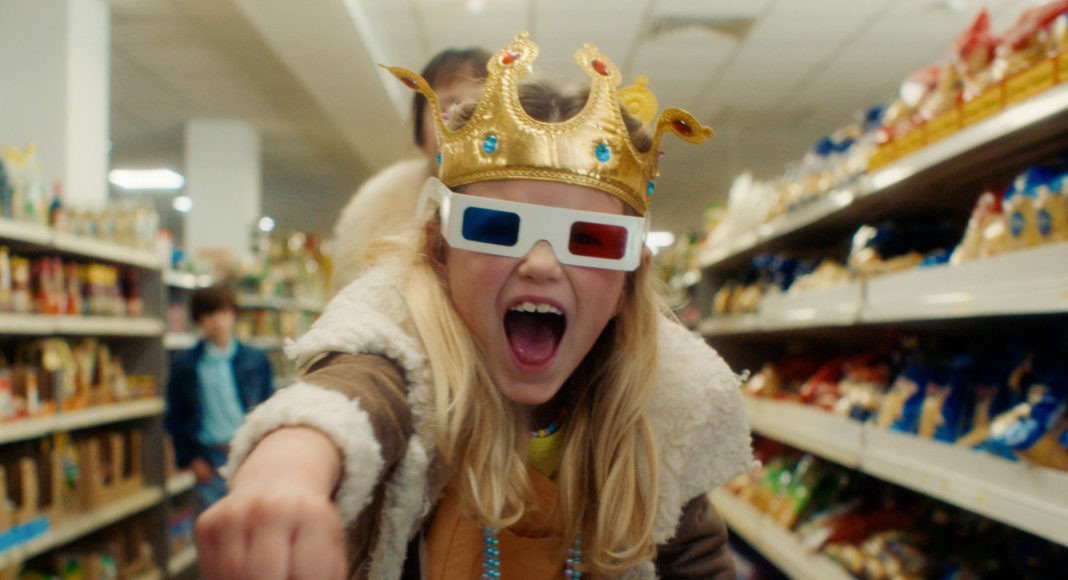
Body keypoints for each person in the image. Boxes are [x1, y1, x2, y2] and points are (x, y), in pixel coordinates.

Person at [196, 32, 754, 579]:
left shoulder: (663, 418)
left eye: (590, 239)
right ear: (440, 255)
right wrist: (292, 465)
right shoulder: (402, 356)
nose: (541, 265)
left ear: (627, 285)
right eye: (495, 228)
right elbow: (359, 392)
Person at [331, 46, 491, 293]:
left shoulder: (528, 195)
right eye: (452, 109)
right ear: (421, 130)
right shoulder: (379, 205)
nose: (468, 126)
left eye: (484, 111)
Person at [164, 284, 274, 510]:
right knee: (214, 532)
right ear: (198, 319)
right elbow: (176, 416)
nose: (217, 321)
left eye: (223, 312)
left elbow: (270, 408)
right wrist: (191, 459)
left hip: (250, 454)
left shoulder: (255, 360)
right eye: (208, 314)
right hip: (209, 460)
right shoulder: (186, 365)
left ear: (233, 314)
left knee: (253, 524)